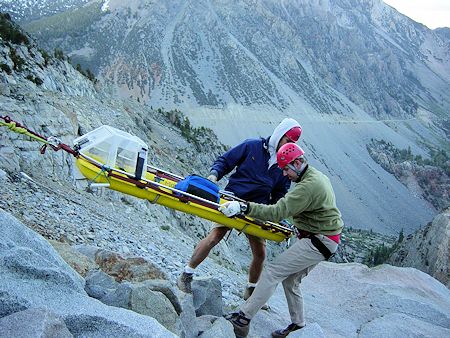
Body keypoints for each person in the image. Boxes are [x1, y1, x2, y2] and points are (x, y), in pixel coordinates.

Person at [219, 143, 344, 338]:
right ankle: (299, 325)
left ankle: (243, 319)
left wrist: (244, 207)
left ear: (298, 162)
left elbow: (277, 212)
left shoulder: (307, 187)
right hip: (326, 239)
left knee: (272, 272)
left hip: (318, 241)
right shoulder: (316, 176)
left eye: (286, 169)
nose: (285, 175)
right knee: (291, 280)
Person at [177, 118, 302, 300]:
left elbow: (280, 192)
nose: (288, 145)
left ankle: (250, 291)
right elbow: (226, 161)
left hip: (257, 209)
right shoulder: (252, 146)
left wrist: (277, 211)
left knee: (260, 254)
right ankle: (186, 275)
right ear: (279, 134)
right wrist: (214, 175)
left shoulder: (284, 163)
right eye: (287, 141)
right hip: (232, 199)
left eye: (292, 143)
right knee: (214, 237)